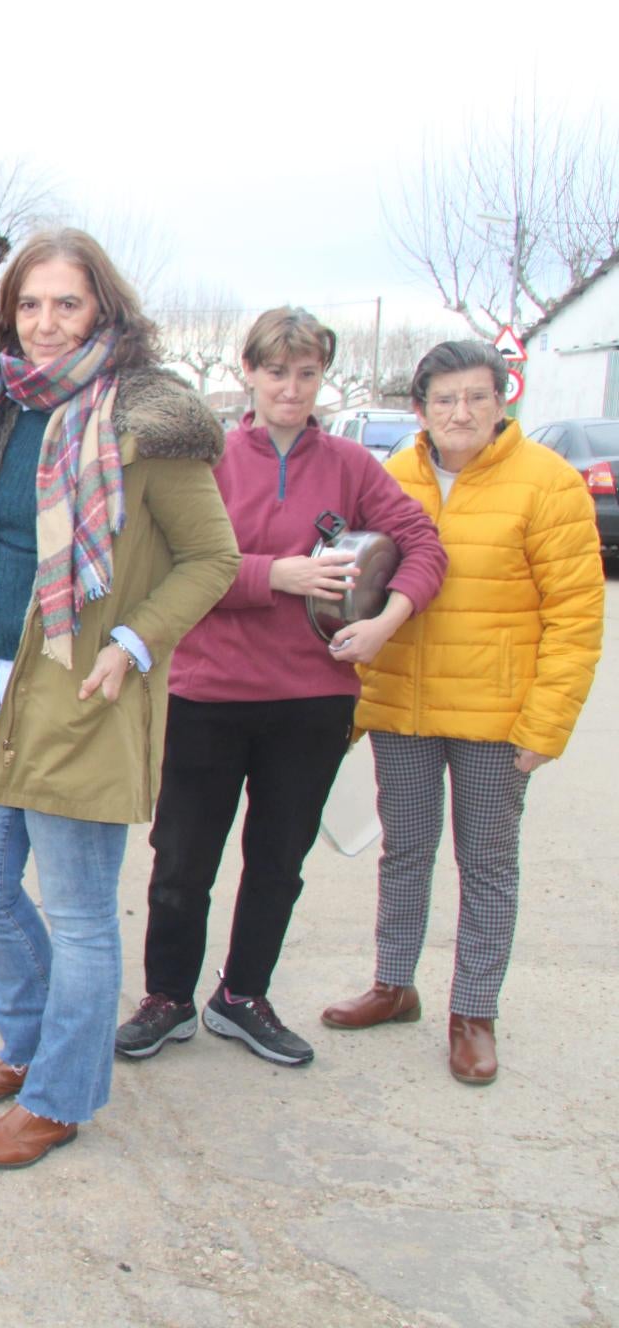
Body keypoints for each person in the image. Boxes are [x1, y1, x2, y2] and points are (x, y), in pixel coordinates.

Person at [0, 229, 238, 1168]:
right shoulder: (1, 406)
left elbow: (212, 558)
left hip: (83, 686)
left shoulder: (150, 421)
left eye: (67, 303)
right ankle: (32, 1043)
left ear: (103, 305)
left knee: (80, 911)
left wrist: (137, 643)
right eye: (30, 304)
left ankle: (62, 1092)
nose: (47, 323)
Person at [115, 308, 447, 1067]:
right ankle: (167, 997)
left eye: (306, 373)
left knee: (276, 861)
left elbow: (424, 544)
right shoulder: (208, 460)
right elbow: (167, 562)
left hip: (311, 700)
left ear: (321, 377)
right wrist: (277, 575)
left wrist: (390, 619)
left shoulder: (355, 467)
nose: (290, 388)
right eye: (276, 372)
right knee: (182, 860)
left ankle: (242, 996)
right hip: (206, 693)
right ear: (248, 374)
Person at [323, 340, 602, 1086]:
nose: (461, 413)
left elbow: (576, 615)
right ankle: (394, 984)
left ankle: (473, 1012)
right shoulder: (392, 478)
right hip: (405, 708)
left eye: (477, 397)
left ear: (503, 400)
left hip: (495, 719)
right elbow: (355, 582)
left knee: (486, 866)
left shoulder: (548, 483)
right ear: (419, 409)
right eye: (445, 399)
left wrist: (546, 726)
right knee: (403, 854)